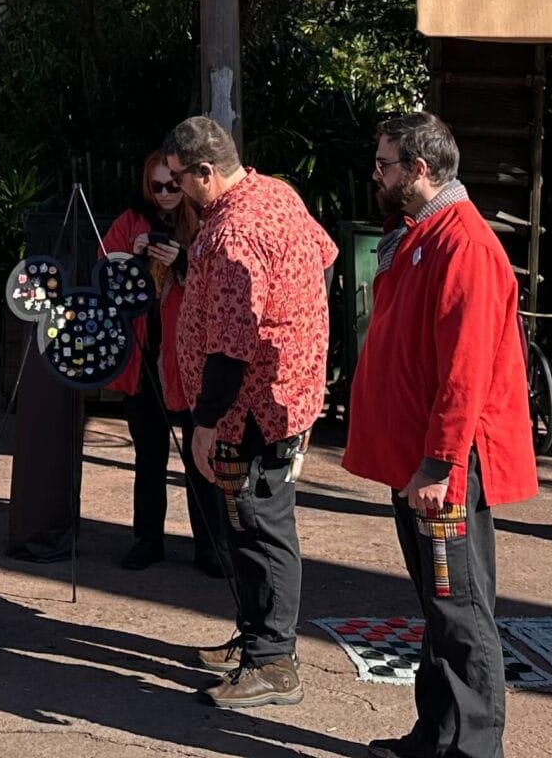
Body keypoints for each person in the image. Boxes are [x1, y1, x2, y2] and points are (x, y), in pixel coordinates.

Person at [344, 113, 538, 758]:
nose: (377, 175)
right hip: (425, 458)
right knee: (439, 603)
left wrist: (439, 463)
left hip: (448, 461)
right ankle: (437, 736)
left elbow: (466, 370)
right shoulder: (427, 235)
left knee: (459, 606)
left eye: (385, 165)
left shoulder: (464, 246)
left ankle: (474, 748)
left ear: (419, 171)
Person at [164, 114, 337, 712]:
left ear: (207, 172)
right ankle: (257, 636)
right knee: (248, 523)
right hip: (280, 394)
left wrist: (207, 421)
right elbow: (325, 256)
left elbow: (233, 342)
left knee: (257, 523)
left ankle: (274, 663)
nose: (177, 190)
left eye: (181, 178)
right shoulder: (276, 193)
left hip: (252, 409)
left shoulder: (235, 229)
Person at [100, 145, 221, 572]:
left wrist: (184, 261)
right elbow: (106, 279)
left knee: (200, 456)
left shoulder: (205, 222)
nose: (167, 193)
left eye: (174, 185)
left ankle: (210, 546)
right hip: (146, 357)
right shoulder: (129, 222)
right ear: (147, 188)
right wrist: (132, 260)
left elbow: (221, 284)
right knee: (148, 454)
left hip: (190, 360)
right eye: (158, 187)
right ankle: (147, 539)